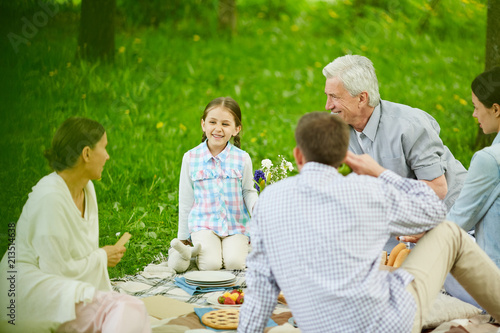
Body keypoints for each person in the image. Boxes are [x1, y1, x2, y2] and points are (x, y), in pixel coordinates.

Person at [238, 112, 500, 333]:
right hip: (389, 323)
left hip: (319, 327)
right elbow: (434, 210)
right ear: (344, 155)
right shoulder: (367, 190)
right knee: (450, 233)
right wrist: (380, 172)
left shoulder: (270, 200)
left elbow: (261, 285)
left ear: (298, 155)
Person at [0, 117, 151, 333]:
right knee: (126, 307)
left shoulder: (87, 188)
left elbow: (79, 254)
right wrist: (101, 257)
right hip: (25, 290)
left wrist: (100, 257)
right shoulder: (49, 198)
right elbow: (54, 270)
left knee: (126, 308)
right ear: (87, 153)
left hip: (60, 284)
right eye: (104, 148)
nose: (108, 156)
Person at [322, 55, 468, 251]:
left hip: (449, 224)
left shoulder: (409, 126)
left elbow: (437, 189)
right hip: (394, 230)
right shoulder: (338, 130)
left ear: (362, 98)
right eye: (327, 96)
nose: (328, 106)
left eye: (335, 97)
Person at [441, 67, 500, 308]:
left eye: (476, 107)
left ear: (496, 109)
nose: (474, 115)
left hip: (494, 284)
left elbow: (456, 225)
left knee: (438, 265)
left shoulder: (489, 159)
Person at [178, 97, 258, 271]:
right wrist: (182, 237)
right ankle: (206, 249)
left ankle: (244, 247)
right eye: (212, 122)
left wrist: (257, 207)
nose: (218, 129)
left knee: (235, 264)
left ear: (236, 129)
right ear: (203, 124)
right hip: (204, 224)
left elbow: (248, 191)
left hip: (236, 225)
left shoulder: (242, 158)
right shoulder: (191, 158)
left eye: (225, 124)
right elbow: (186, 200)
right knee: (211, 265)